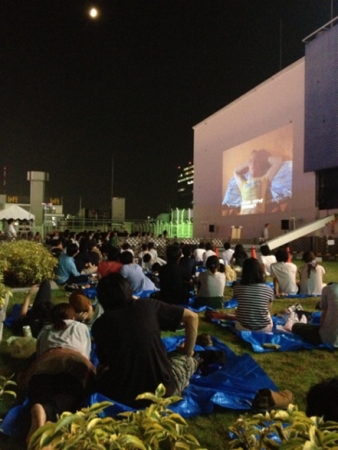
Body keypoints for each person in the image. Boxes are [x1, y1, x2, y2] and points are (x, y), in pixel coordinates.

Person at [91, 273, 198, 408]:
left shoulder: (99, 326)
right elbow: (192, 317)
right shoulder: (147, 305)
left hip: (122, 395)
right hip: (161, 392)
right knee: (188, 360)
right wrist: (188, 351)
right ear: (128, 290)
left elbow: (105, 365)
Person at [23, 303, 94, 444]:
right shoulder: (80, 327)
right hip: (72, 363)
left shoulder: (45, 330)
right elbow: (86, 353)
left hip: (45, 363)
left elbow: (39, 353)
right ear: (73, 316)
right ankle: (48, 413)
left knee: (43, 387)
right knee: (70, 393)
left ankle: (41, 409)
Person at [233, 150, 282, 215]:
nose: (253, 163)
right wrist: (249, 162)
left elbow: (278, 161)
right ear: (248, 166)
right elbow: (235, 172)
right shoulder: (243, 183)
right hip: (242, 217)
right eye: (251, 161)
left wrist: (262, 159)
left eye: (256, 161)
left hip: (256, 217)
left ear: (259, 165)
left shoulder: (263, 179)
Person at [233, 258, 274, 331]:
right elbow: (268, 309)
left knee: (237, 310)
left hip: (241, 327)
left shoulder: (237, 288)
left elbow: (239, 302)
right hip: (264, 329)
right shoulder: (268, 289)